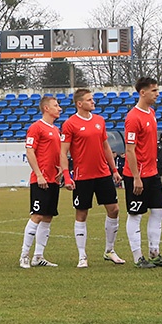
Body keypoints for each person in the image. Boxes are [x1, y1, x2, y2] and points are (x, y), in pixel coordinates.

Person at [59, 88, 126, 268]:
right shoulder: (70, 124)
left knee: (114, 210)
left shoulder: (99, 121)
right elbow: (63, 152)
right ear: (79, 104)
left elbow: (105, 147)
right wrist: (67, 176)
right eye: (89, 100)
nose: (93, 102)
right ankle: (82, 255)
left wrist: (114, 169)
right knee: (81, 214)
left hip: (103, 174)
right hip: (82, 177)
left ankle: (109, 250)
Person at [122, 77, 162, 268]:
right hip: (136, 176)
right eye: (154, 90)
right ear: (142, 93)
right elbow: (130, 149)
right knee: (135, 214)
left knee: (159, 210)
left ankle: (154, 253)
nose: (157, 94)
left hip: (152, 173)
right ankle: (138, 257)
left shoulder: (151, 113)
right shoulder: (133, 117)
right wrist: (136, 177)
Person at [20, 95, 63, 268]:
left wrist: (60, 168)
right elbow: (30, 152)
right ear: (46, 108)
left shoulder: (55, 130)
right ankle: (24, 255)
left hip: (53, 178)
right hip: (41, 179)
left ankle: (38, 256)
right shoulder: (36, 128)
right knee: (37, 215)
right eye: (56, 105)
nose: (59, 108)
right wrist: (38, 174)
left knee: (48, 217)